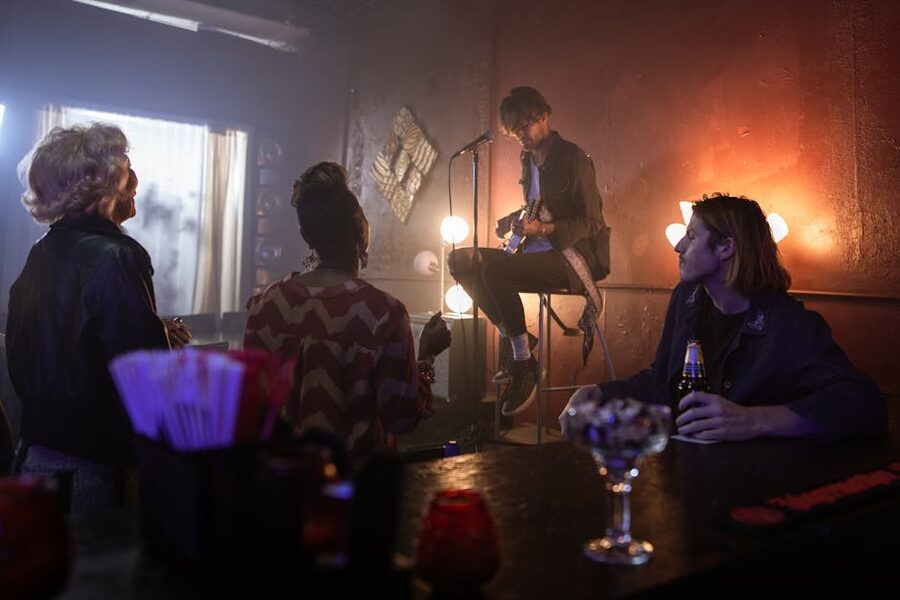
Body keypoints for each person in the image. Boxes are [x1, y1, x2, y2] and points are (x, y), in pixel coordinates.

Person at [561, 194, 886, 443]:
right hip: (690, 477)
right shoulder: (686, 300)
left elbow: (864, 406)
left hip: (760, 490)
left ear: (725, 247)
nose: (678, 246)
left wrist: (755, 420)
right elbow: (663, 383)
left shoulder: (787, 324)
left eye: (690, 236)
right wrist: (601, 393)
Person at [5, 123, 189, 512]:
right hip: (91, 473)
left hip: (33, 462)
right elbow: (144, 376)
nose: (134, 178)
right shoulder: (117, 256)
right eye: (124, 165)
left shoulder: (40, 254)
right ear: (96, 183)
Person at [243, 162, 451, 459]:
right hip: (354, 491)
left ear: (305, 235)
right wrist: (427, 358)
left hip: (277, 493)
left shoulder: (263, 306)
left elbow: (252, 410)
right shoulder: (383, 314)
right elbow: (401, 417)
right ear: (362, 230)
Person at [448, 86, 610, 417]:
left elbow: (592, 223)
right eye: (514, 130)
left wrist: (545, 230)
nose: (520, 135)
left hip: (573, 257)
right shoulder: (528, 158)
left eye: (524, 126)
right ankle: (520, 342)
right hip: (534, 249)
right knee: (461, 260)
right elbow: (536, 205)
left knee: (495, 272)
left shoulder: (573, 159)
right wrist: (514, 220)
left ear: (543, 116)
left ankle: (523, 363)